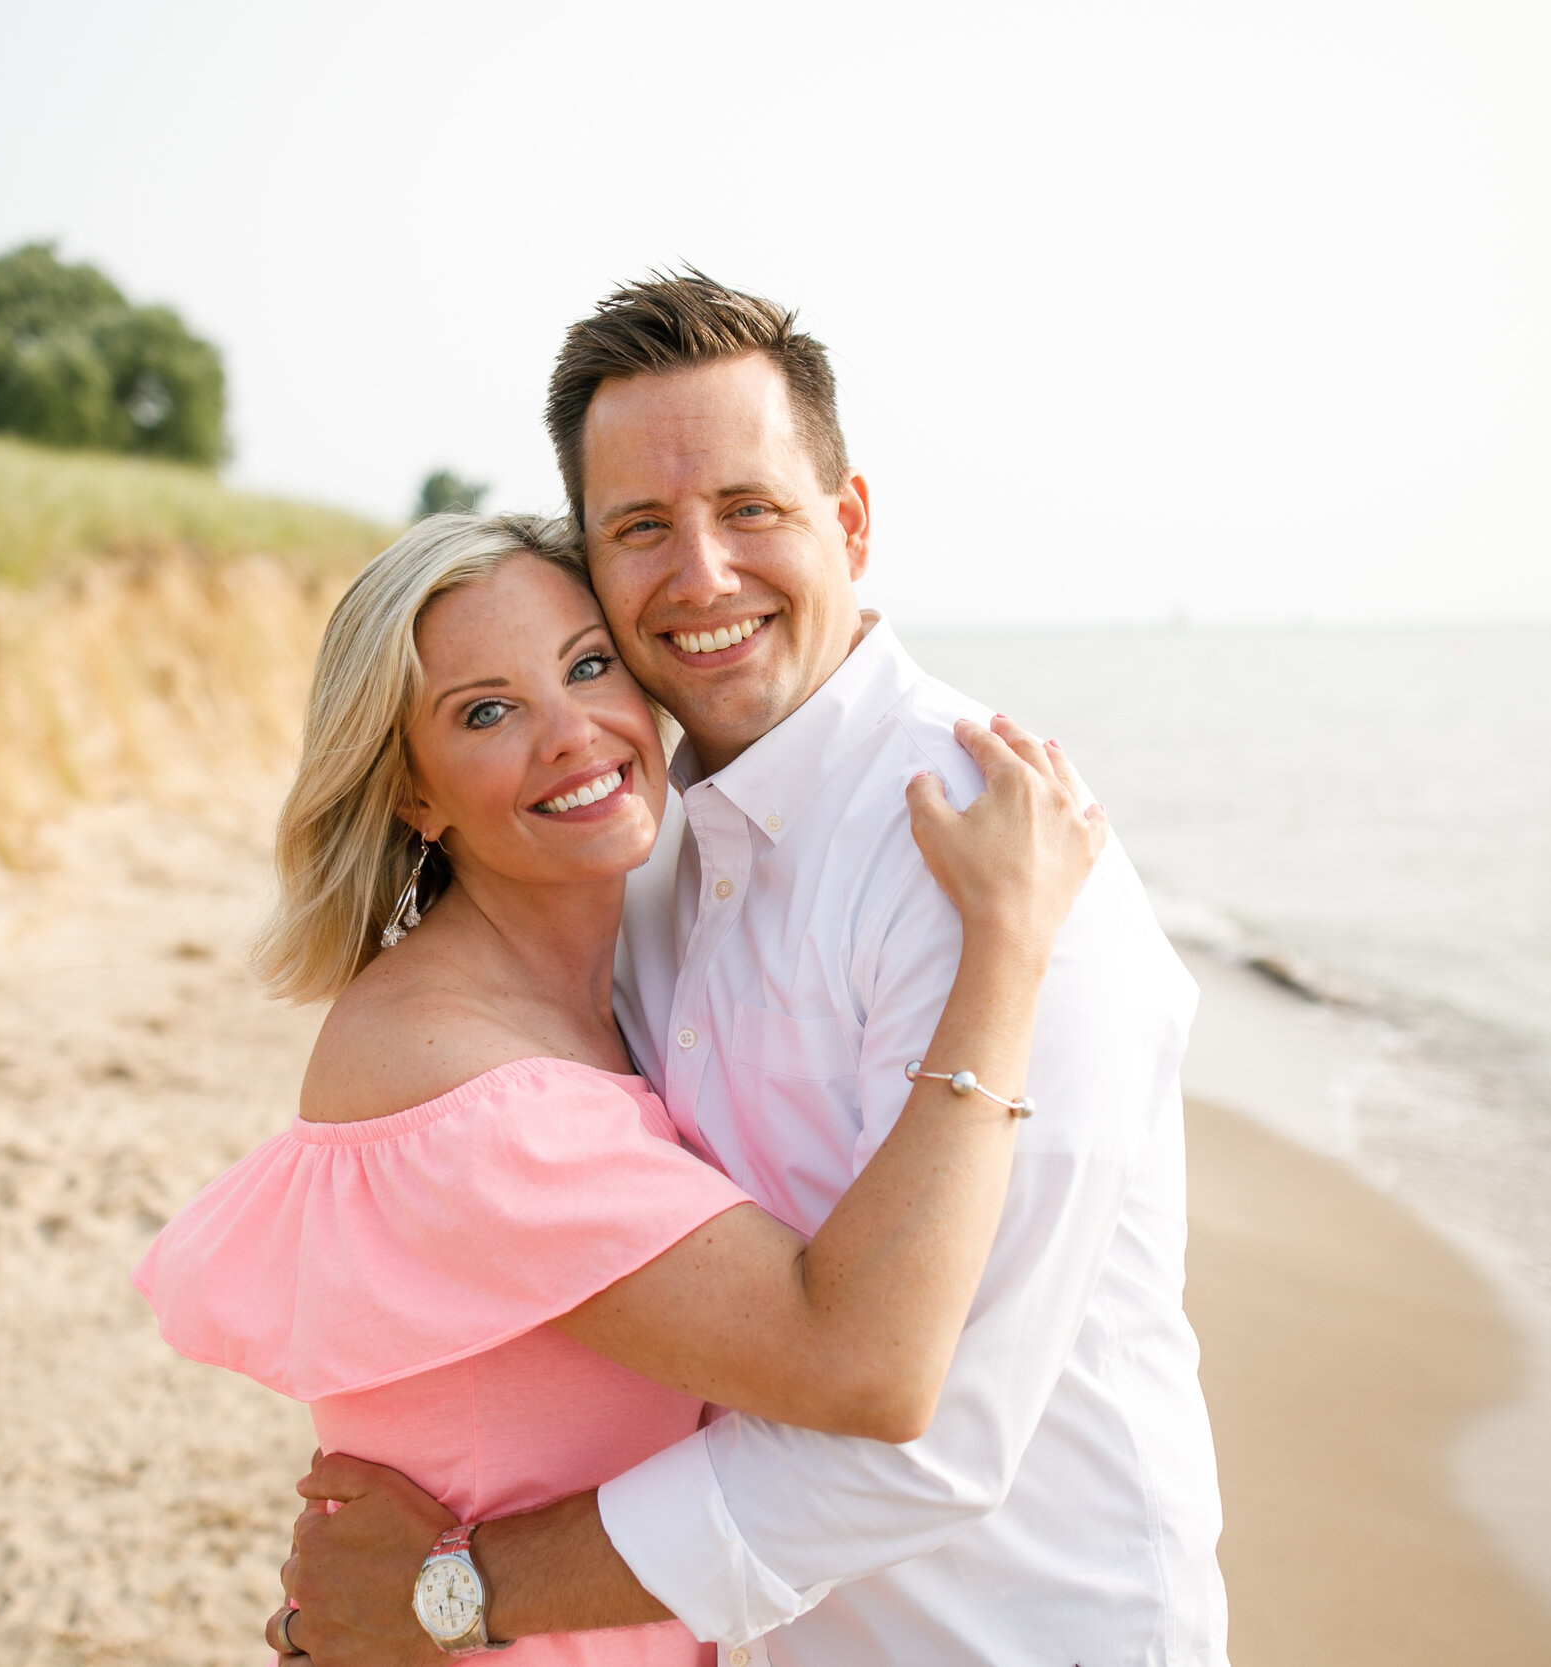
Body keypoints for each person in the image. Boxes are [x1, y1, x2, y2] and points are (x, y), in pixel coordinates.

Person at [274, 274, 1229, 1667]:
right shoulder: (641, 850)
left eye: (751, 508)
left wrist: (453, 1589)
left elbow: (932, 1428)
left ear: (848, 521)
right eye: (642, 528)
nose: (701, 574)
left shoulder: (998, 865)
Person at [134, 509, 1108, 1665]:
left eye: (589, 665)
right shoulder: (456, 1079)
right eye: (486, 710)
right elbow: (863, 1365)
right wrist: (1004, 941)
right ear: (414, 794)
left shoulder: (617, 978)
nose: (572, 732)